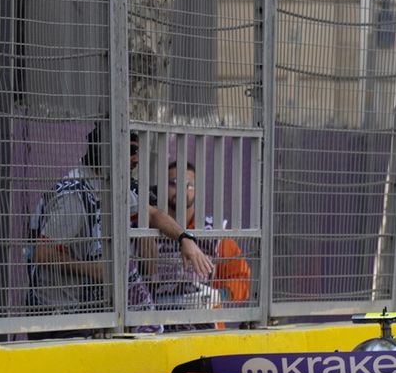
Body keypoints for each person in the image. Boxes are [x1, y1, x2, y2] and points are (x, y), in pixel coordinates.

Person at [27, 126, 213, 336]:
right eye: (132, 151)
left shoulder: (108, 184)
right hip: (56, 317)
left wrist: (185, 238)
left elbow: (151, 215)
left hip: (83, 312)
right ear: (108, 150)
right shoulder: (74, 196)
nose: (136, 160)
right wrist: (97, 270)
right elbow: (42, 253)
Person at [151, 160, 251, 330]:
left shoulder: (214, 234)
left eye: (189, 185)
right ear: (162, 188)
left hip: (205, 328)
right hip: (156, 326)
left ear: (197, 190)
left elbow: (242, 279)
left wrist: (219, 295)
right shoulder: (146, 230)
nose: (182, 190)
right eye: (174, 183)